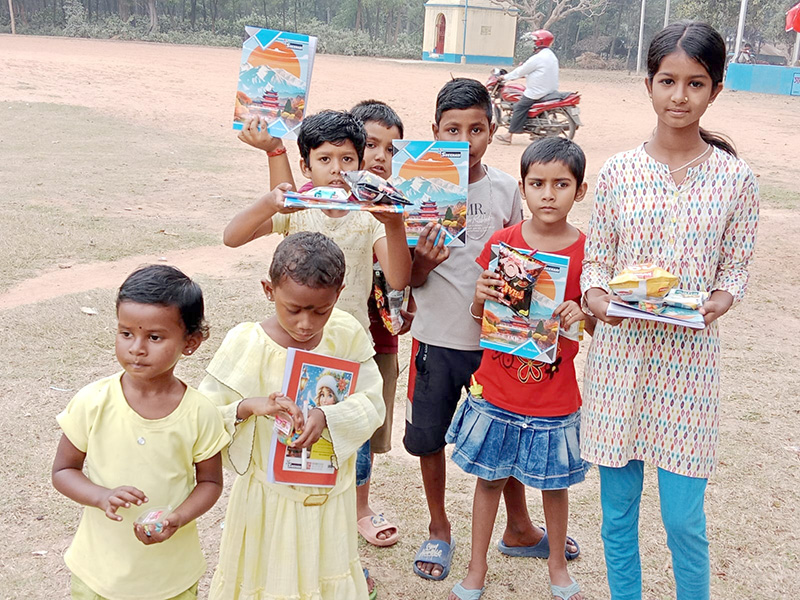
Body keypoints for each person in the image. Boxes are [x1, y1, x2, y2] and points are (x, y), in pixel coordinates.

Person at [581, 21, 759, 600]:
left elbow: (734, 270)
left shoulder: (735, 179)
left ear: (716, 89)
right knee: (617, 516)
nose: (679, 96)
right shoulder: (618, 173)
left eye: (695, 83)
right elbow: (595, 263)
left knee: (683, 521)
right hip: (619, 363)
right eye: (667, 81)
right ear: (649, 85)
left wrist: (718, 302)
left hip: (689, 368)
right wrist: (598, 300)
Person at [407, 78, 571, 582]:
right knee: (429, 438)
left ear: (493, 130)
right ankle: (439, 528)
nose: (465, 140)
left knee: (508, 433)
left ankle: (518, 526)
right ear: (434, 130)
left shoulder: (505, 189)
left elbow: (525, 258)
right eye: (452, 129)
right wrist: (422, 263)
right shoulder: (416, 186)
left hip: (498, 346)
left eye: (476, 129)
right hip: (436, 338)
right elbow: (401, 275)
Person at [446, 137, 594, 600]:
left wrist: (581, 314)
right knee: (489, 480)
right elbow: (480, 316)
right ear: (523, 188)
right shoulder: (502, 243)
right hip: (498, 388)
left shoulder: (588, 253)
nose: (548, 194)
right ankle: (476, 567)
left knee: (554, 485)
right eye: (537, 184)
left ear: (580, 190)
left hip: (553, 394)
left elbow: (593, 326)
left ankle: (556, 566)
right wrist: (480, 297)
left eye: (561, 184)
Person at [200, 232, 386, 600]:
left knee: (324, 573)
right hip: (268, 501)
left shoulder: (345, 333)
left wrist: (328, 416)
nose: (305, 323)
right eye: (294, 309)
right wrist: (248, 407)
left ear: (339, 294)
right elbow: (205, 417)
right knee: (269, 578)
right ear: (268, 290)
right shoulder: (247, 344)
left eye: (320, 311)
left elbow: (372, 401)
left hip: (329, 496)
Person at [51, 265, 229, 600]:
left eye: (154, 337)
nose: (137, 348)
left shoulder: (199, 412)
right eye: (126, 333)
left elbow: (210, 482)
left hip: (171, 578)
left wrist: (178, 517)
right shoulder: (93, 401)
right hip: (99, 574)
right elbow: (63, 470)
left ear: (191, 342)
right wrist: (101, 496)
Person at [225, 110, 412, 337]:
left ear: (360, 166)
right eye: (324, 159)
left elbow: (398, 280)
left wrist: (394, 225)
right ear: (306, 167)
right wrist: (269, 203)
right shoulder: (298, 210)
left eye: (347, 159)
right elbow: (232, 238)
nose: (336, 169)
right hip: (298, 335)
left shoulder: (370, 215)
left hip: (350, 340)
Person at [349, 99, 406, 549]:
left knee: (365, 427)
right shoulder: (329, 201)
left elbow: (405, 277)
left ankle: (360, 506)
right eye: (371, 145)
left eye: (391, 149)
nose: (381, 157)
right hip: (325, 338)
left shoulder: (398, 206)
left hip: (379, 338)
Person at [496, 29, 559, 144]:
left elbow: (520, 71)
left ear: (540, 42)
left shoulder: (538, 58)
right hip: (549, 90)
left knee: (519, 107)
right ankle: (535, 132)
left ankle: (508, 136)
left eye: (535, 41)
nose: (533, 44)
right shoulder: (551, 56)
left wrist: (504, 77)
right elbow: (539, 72)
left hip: (538, 91)